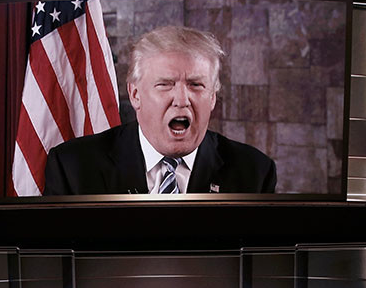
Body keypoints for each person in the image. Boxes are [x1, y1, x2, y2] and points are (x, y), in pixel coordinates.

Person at [44, 26, 276, 195]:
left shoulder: (254, 173)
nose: (181, 100)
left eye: (196, 85)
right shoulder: (73, 167)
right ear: (135, 95)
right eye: (165, 84)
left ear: (213, 98)